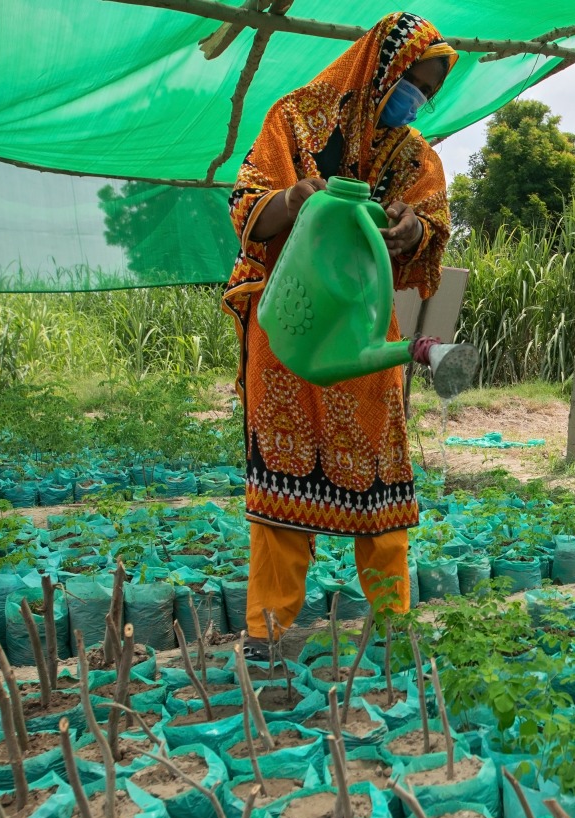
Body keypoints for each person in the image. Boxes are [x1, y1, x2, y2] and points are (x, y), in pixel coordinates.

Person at [221, 12, 456, 659]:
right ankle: (267, 635)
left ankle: (395, 625)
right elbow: (246, 206)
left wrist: (411, 231)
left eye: (430, 93)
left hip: (360, 335)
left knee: (379, 488)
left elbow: (431, 233)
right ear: (381, 68)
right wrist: (295, 199)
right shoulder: (294, 121)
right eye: (415, 83)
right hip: (293, 326)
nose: (418, 100)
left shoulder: (413, 156)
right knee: (281, 492)